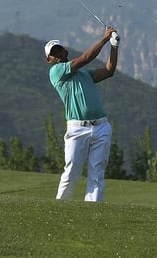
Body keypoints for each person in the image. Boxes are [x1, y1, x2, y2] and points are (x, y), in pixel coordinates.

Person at [44, 26, 119, 202]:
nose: (59, 54)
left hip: (101, 126)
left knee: (97, 172)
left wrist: (114, 47)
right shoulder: (56, 72)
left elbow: (109, 71)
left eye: (59, 50)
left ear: (65, 50)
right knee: (71, 172)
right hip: (77, 130)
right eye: (54, 53)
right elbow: (86, 58)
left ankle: (92, 211)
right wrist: (104, 39)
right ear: (50, 59)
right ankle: (60, 207)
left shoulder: (84, 74)